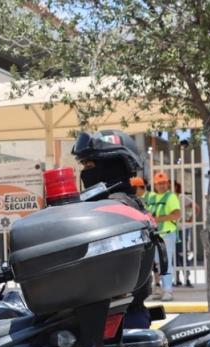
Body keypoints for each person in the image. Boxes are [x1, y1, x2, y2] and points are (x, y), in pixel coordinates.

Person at [70, 130, 153, 329]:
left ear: (112, 165)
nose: (85, 172)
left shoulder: (115, 208)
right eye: (83, 165)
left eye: (90, 165)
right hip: (120, 313)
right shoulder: (124, 203)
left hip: (115, 319)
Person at [145, 172, 180, 301]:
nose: (162, 185)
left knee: (165, 263)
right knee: (158, 263)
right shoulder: (152, 197)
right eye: (159, 183)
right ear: (155, 184)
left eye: (164, 183)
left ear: (168, 183)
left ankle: (168, 291)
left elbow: (176, 215)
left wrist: (157, 220)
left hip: (166, 234)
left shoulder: (171, 197)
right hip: (155, 235)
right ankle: (161, 289)